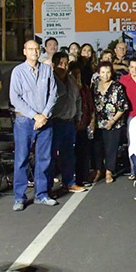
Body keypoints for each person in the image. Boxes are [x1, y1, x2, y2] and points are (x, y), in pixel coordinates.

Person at [10, 40, 58, 211]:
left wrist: (44, 115)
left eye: (37, 49)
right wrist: (35, 115)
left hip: (45, 120)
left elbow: (53, 93)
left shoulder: (47, 70)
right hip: (25, 121)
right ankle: (19, 197)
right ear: (24, 51)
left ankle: (42, 194)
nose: (34, 52)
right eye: (31, 49)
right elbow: (15, 98)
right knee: (21, 159)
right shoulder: (18, 72)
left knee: (44, 159)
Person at [49, 52, 86, 193]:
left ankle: (69, 182)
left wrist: (78, 117)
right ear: (54, 65)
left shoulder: (71, 80)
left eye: (66, 64)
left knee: (68, 155)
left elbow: (78, 100)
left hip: (70, 122)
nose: (64, 66)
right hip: (55, 122)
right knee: (51, 156)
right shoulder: (49, 79)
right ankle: (48, 187)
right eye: (60, 64)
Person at [92, 61, 129, 184]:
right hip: (98, 122)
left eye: (108, 72)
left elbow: (123, 106)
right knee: (98, 148)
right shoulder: (95, 85)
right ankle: (99, 170)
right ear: (99, 73)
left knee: (111, 148)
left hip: (114, 122)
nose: (106, 75)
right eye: (103, 72)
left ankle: (109, 171)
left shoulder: (116, 86)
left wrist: (112, 121)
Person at [69, 62, 95, 187]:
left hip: (83, 124)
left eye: (77, 73)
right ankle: (69, 180)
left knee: (83, 153)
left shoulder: (84, 88)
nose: (75, 75)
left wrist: (92, 121)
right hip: (69, 124)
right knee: (69, 153)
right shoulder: (66, 87)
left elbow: (90, 107)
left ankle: (82, 178)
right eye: (73, 73)